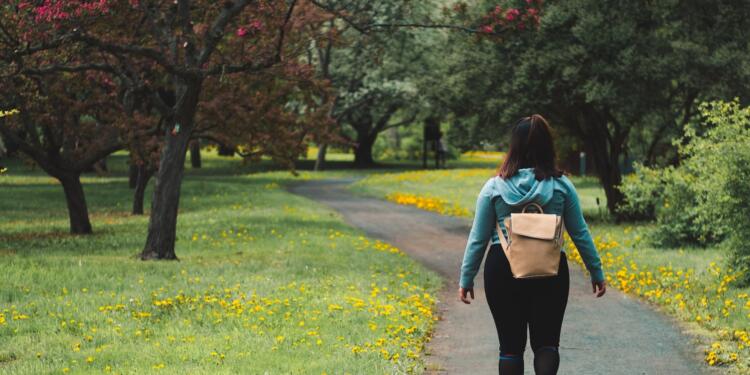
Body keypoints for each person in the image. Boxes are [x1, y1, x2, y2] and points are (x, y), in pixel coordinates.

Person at [457, 114, 606, 375]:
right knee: (547, 343)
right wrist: (596, 272)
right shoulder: (561, 186)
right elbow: (580, 233)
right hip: (550, 271)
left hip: (502, 269)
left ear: (513, 147)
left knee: (510, 348)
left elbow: (478, 239)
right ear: (548, 146)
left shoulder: (494, 188)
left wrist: (466, 278)